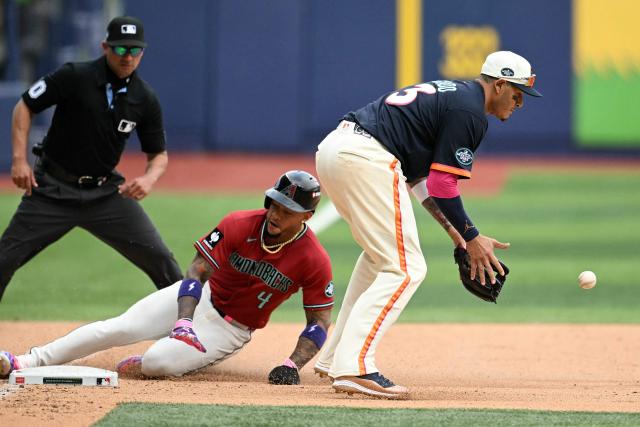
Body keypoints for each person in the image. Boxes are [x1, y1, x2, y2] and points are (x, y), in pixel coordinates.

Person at [313, 51, 542, 399]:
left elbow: (421, 178)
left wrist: (456, 234)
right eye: (517, 93)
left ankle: (335, 359)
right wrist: (473, 236)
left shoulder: (455, 95)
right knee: (406, 269)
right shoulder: (470, 113)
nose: (520, 103)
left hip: (337, 149)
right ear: (498, 84)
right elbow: (443, 185)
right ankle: (355, 367)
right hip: (364, 156)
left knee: (380, 259)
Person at [0, 170, 334, 383]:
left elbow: (319, 320)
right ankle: (25, 360)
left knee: (159, 362)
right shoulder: (239, 223)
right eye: (274, 204)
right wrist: (185, 320)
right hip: (198, 297)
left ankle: (150, 362)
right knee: (119, 327)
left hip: (230, 329)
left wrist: (293, 365)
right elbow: (197, 270)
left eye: (287, 211)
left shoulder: (313, 259)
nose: (276, 214)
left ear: (306, 215)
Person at [0, 16, 182, 301]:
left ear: (142, 52)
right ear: (105, 46)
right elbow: (24, 106)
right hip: (52, 191)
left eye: (135, 50)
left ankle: (188, 327)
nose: (128, 57)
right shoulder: (75, 76)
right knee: (3, 260)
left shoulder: (144, 98)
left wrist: (149, 177)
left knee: (163, 262)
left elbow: (158, 155)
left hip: (106, 194)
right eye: (121, 49)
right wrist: (19, 160)